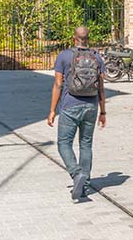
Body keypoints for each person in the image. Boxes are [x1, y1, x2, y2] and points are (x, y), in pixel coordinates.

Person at [47, 27, 106, 201]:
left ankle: (76, 173)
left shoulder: (64, 56)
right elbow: (101, 86)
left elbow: (58, 84)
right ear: (88, 38)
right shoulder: (96, 57)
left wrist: (52, 111)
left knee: (64, 143)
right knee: (86, 145)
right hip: (91, 107)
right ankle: (84, 184)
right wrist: (103, 111)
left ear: (74, 39)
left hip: (70, 106)